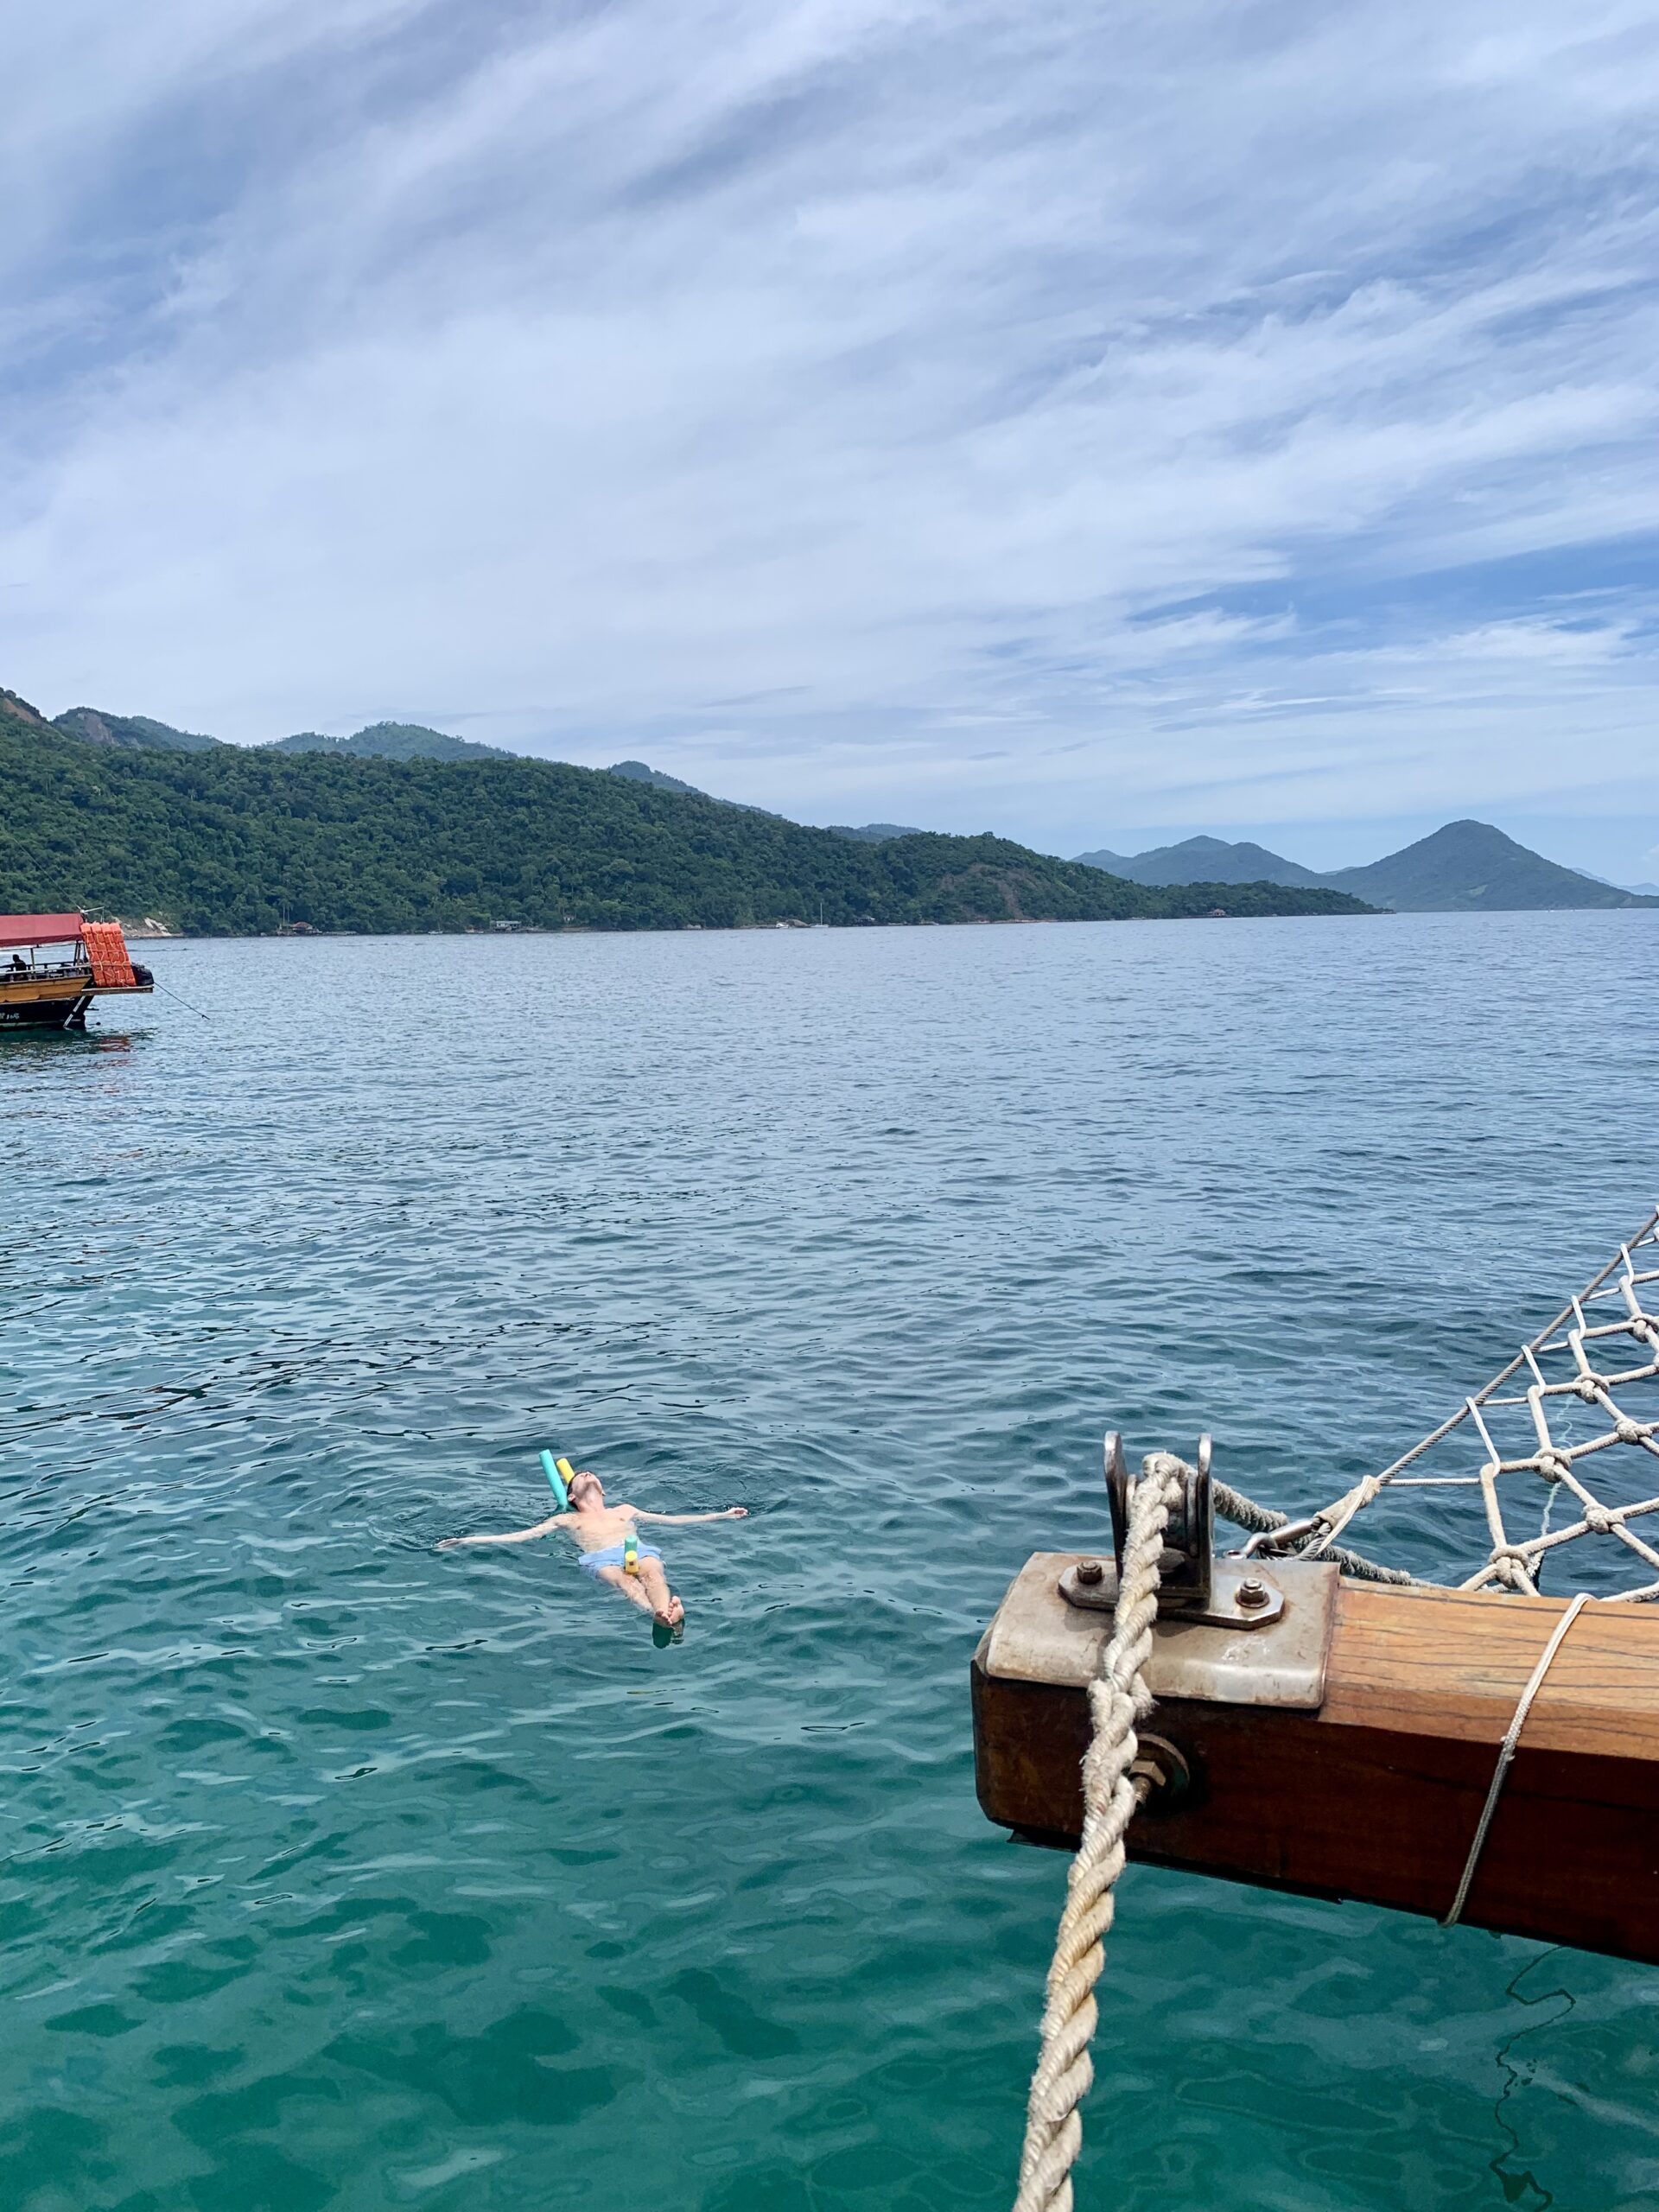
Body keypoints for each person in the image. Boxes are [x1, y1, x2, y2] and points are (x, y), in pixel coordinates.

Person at [439, 1468, 747, 1630]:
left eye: (591, 1473)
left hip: (636, 1549)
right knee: (625, 1583)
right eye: (579, 1476)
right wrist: (468, 1540)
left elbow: (675, 1520)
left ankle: (667, 1612)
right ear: (571, 1495)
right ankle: (658, 1615)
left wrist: (721, 1515)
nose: (585, 1473)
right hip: (601, 1558)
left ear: (602, 1488)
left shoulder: (625, 1509)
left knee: (653, 1574)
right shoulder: (566, 1520)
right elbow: (520, 1536)